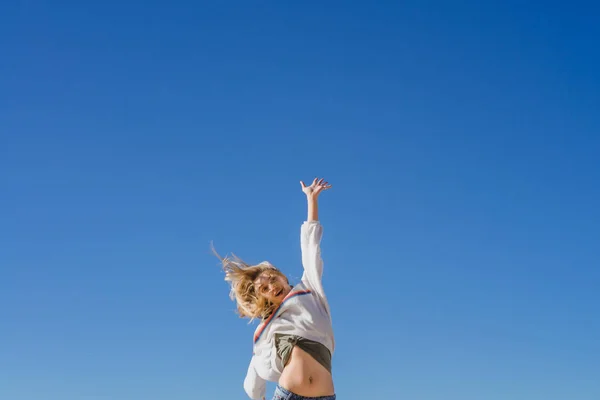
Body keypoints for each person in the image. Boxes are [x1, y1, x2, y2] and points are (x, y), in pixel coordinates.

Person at [214, 177, 336, 400]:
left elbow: (311, 247)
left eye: (272, 279)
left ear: (282, 276)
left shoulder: (309, 290)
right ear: (264, 300)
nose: (271, 287)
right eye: (264, 289)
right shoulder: (268, 327)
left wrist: (311, 200)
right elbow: (253, 383)